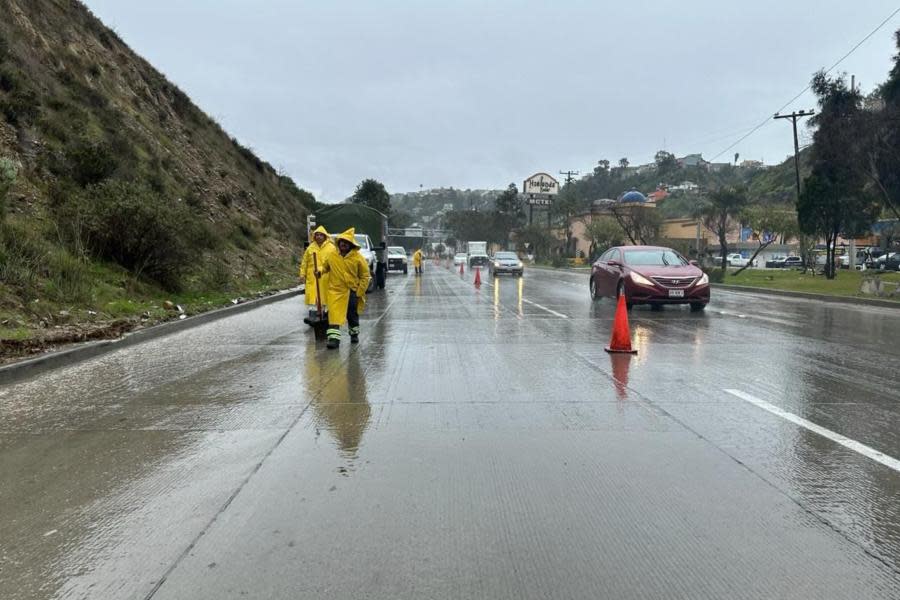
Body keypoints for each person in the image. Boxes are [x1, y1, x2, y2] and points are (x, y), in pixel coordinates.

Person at [318, 228, 371, 349]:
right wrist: (319, 271)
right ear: (338, 243)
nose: (343, 244)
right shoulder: (332, 256)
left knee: (352, 315)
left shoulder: (358, 258)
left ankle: (354, 333)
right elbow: (325, 267)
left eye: (346, 242)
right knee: (334, 315)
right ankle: (333, 340)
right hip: (335, 291)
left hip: (351, 291)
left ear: (351, 245)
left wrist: (359, 291)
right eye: (341, 242)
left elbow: (365, 276)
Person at [299, 226, 336, 325]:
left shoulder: (331, 248)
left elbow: (335, 263)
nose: (319, 237)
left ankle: (324, 316)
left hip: (325, 276)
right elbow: (304, 262)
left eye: (321, 235)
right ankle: (312, 317)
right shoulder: (310, 248)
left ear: (325, 236)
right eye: (317, 235)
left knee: (324, 297)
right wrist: (302, 274)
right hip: (312, 277)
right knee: (313, 297)